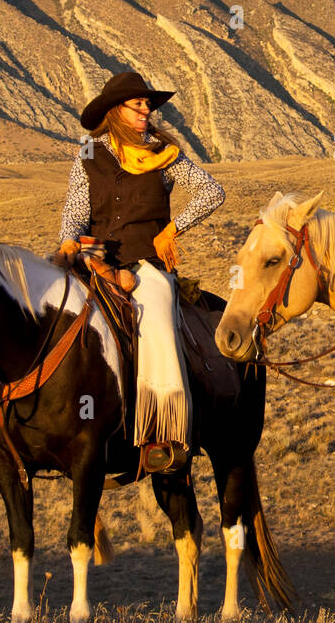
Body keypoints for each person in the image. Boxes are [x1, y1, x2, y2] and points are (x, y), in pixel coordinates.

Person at [56, 71, 225, 473]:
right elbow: (75, 214)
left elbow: (212, 191)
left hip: (147, 263)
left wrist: (173, 229)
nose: (147, 110)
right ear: (117, 111)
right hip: (94, 260)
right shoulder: (87, 155)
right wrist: (68, 242)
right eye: (139, 104)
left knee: (155, 322)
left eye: (149, 105)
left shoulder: (165, 155)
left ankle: (162, 434)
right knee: (47, 308)